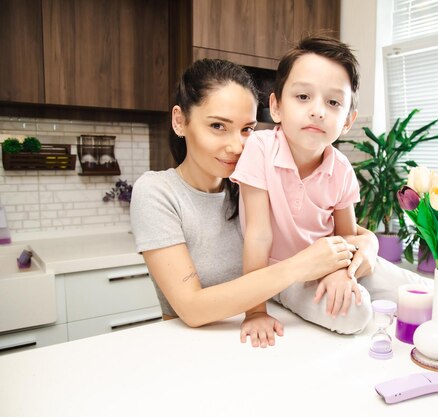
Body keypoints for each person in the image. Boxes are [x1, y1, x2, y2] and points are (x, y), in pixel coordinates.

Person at [130, 58, 380, 348]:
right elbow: (191, 308)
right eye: (217, 126)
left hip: (267, 338)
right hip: (195, 346)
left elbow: (350, 232)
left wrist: (370, 245)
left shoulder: (250, 184)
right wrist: (299, 266)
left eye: (247, 129)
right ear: (179, 120)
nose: (237, 146)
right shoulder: (157, 192)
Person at [230, 36, 420, 339]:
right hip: (285, 275)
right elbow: (258, 234)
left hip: (333, 263)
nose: (318, 110)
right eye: (303, 96)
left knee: (420, 291)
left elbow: (346, 235)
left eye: (333, 102)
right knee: (354, 313)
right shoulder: (260, 148)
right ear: (276, 107)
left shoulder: (342, 168)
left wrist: (340, 274)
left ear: (347, 121)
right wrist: (255, 311)